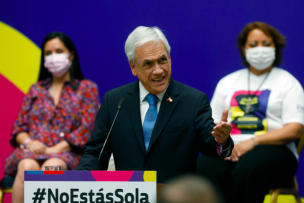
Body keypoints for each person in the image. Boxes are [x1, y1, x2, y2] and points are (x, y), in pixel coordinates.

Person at [76, 26, 233, 183]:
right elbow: (95, 152)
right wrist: (78, 182)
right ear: (133, 67)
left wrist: (221, 141)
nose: (158, 70)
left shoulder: (193, 101)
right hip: (130, 196)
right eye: (148, 64)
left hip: (174, 197)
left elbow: (211, 146)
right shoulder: (115, 101)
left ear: (170, 59)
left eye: (162, 60)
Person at [197, 22, 304, 203]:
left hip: (274, 150)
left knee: (248, 169)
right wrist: (225, 145)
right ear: (244, 49)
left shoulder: (288, 83)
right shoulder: (227, 82)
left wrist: (252, 142)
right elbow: (211, 124)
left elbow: (295, 129)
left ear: (276, 48)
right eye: (253, 44)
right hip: (231, 146)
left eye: (266, 43)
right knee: (206, 165)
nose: (260, 49)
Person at [4, 32, 100, 203]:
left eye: (58, 51)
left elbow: (87, 129)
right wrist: (29, 143)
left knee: (52, 167)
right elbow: (18, 128)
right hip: (30, 152)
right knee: (27, 166)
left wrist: (55, 149)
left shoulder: (87, 89)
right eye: (48, 53)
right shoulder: (36, 89)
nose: (53, 57)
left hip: (65, 154)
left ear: (70, 54)